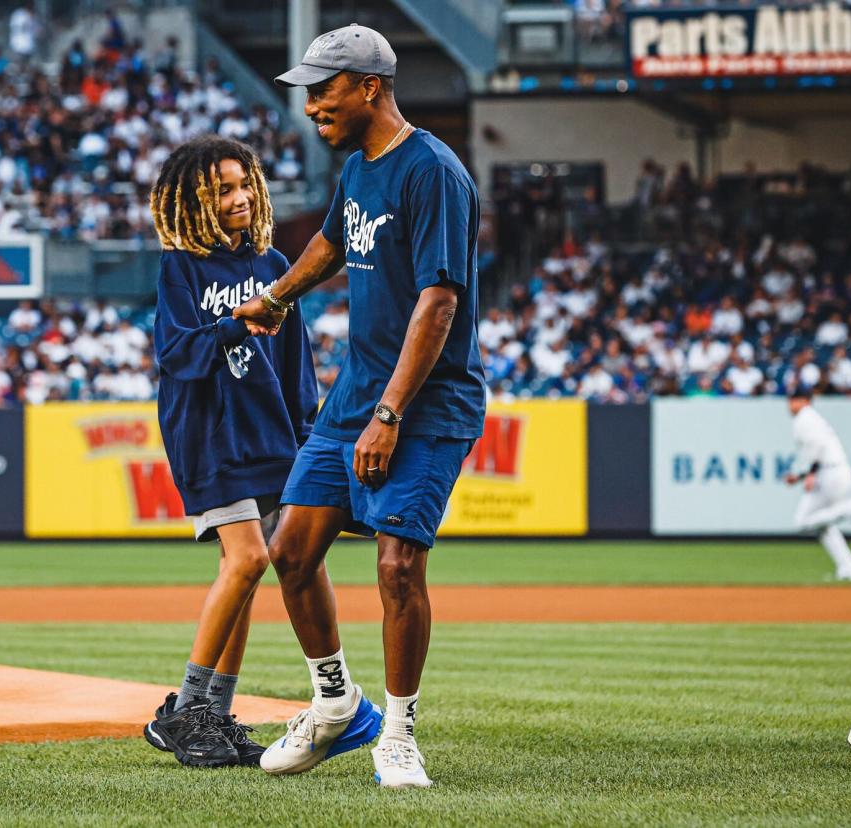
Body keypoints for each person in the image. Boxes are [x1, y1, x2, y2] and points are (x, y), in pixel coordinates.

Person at [234, 24, 486, 788]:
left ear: (370, 87)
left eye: (324, 89)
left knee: (397, 564)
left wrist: (389, 414)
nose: (312, 105)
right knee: (292, 550)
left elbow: (440, 302)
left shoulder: (433, 171)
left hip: (426, 402)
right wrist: (279, 296)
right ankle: (337, 702)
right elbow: (336, 246)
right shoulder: (357, 168)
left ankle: (400, 736)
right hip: (356, 395)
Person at [143, 136, 319, 768]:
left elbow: (296, 362)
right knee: (247, 559)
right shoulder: (180, 265)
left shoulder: (275, 262)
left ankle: (213, 718)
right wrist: (236, 322)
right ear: (194, 200)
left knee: (249, 572)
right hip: (210, 433)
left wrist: (307, 432)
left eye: (244, 183)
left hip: (270, 434)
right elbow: (176, 353)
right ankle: (185, 712)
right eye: (221, 189)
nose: (239, 197)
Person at [784, 388, 851, 581]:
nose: (789, 404)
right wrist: (801, 475)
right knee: (823, 524)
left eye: (794, 400)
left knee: (802, 521)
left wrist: (810, 473)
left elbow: (817, 445)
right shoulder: (811, 418)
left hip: (829, 473)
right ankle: (848, 567)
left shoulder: (805, 417)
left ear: (805, 401)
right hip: (833, 470)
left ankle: (850, 508)